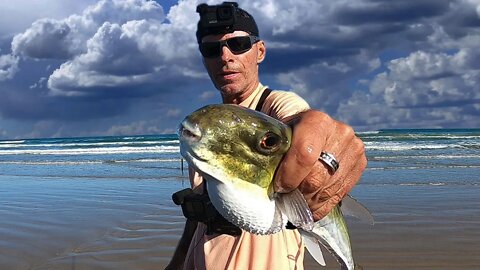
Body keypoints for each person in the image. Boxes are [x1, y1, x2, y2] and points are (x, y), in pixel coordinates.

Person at [166, 2, 367, 269]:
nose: (225, 56)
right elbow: (199, 210)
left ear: (259, 51)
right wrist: (177, 262)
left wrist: (323, 142)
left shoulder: (277, 105)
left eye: (238, 44)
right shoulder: (205, 133)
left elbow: (300, 123)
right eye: (211, 49)